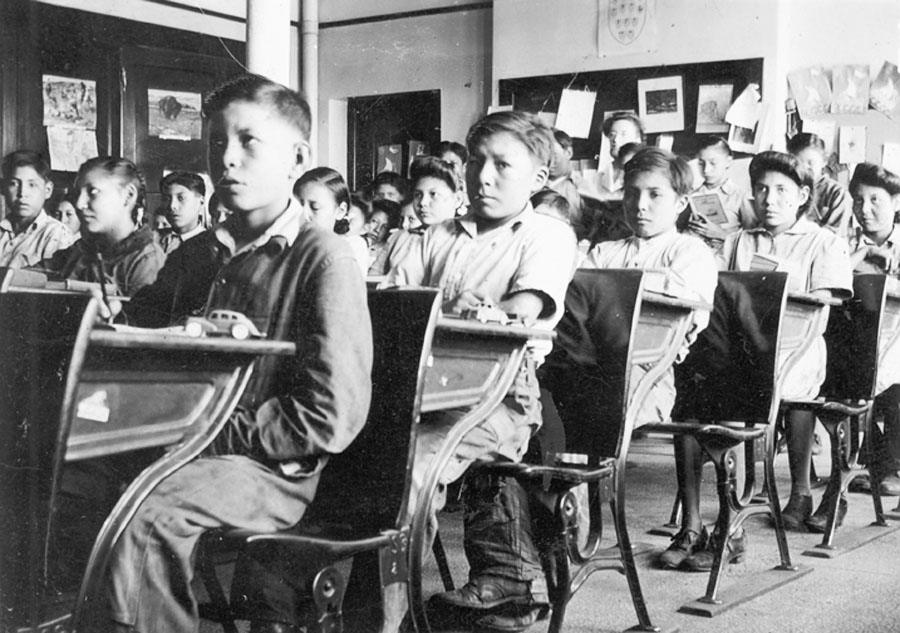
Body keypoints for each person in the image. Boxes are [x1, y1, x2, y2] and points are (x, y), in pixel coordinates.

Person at [104, 73, 372, 633]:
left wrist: (210, 432)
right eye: (216, 144)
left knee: (146, 516)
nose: (226, 160)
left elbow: (332, 413)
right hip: (184, 444)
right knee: (70, 487)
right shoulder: (199, 252)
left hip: (269, 468)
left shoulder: (323, 257)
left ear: (297, 157)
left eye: (249, 142)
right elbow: (138, 328)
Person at [385, 110, 576, 633]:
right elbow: (394, 301)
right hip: (418, 384)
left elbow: (523, 309)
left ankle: (386, 619)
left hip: (498, 392)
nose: (483, 176)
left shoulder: (546, 235)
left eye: (502, 165)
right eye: (476, 162)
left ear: (538, 179)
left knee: (408, 469)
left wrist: (473, 309)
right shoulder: (436, 233)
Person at [663, 151, 853, 573]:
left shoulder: (824, 241)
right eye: (762, 189)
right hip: (741, 349)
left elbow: (828, 301)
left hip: (795, 345)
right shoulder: (740, 240)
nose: (770, 199)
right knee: (691, 396)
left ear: (803, 195)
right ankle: (694, 523)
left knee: (744, 389)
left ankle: (781, 498)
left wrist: (776, 290)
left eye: (782, 190)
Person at [582, 147, 717, 425]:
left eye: (655, 194)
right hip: (588, 362)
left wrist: (608, 292)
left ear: (681, 203)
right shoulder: (604, 252)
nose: (639, 204)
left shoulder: (691, 252)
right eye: (631, 193)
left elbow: (682, 325)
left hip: (646, 375)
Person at [32, 157, 165, 297]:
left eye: (93, 192)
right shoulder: (83, 248)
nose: (79, 203)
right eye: (78, 193)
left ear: (128, 196)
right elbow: (32, 274)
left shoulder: (146, 261)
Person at [845, 162, 900, 497]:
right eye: (858, 201)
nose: (865, 210)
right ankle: (873, 458)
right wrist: (860, 255)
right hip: (858, 335)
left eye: (875, 200)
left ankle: (890, 465)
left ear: (896, 203)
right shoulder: (843, 244)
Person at [369, 156, 462, 276]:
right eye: (418, 195)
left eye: (433, 194)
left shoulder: (466, 241)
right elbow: (373, 280)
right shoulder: (398, 238)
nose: (423, 202)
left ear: (458, 199)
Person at [0, 149, 72, 268]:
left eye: (32, 185)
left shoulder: (55, 234)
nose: (22, 193)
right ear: (3, 188)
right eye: (14, 183)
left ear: (47, 190)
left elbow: (53, 283)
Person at [295, 166, 369, 276]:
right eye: (298, 206)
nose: (304, 215)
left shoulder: (352, 247)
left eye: (315, 207)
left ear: (340, 211)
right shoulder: (289, 245)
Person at [681, 136, 755, 247]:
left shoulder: (740, 196)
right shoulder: (692, 195)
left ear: (728, 162)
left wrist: (722, 234)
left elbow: (753, 241)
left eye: (713, 163)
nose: (706, 170)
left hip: (722, 257)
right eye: (701, 163)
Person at [787, 132, 853, 238]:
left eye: (810, 163)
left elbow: (833, 236)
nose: (804, 169)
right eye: (798, 163)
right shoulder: (788, 189)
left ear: (824, 162)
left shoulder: (837, 193)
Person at [156, 170, 207, 254]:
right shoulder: (152, 240)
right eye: (167, 199)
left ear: (201, 202)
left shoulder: (210, 245)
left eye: (181, 198)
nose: (172, 206)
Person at [546, 128, 583, 226]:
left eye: (555, 156)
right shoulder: (532, 183)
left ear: (568, 153)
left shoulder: (583, 186)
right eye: (544, 156)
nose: (549, 163)